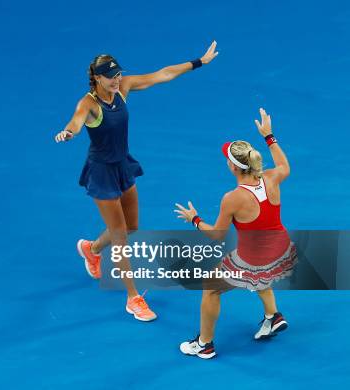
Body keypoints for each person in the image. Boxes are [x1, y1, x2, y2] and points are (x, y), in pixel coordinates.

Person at [55, 42, 219, 321]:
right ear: (97, 78)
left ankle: (91, 249)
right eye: (111, 76)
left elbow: (163, 74)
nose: (117, 79)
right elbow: (76, 122)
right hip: (102, 172)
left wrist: (198, 61)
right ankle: (133, 298)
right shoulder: (89, 104)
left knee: (131, 227)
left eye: (118, 73)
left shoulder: (123, 88)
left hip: (122, 165)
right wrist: (68, 133)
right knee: (119, 236)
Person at [174, 108, 297, 358]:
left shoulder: (233, 198)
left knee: (211, 287)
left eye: (227, 159)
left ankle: (204, 344)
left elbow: (217, 235)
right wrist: (269, 135)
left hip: (256, 257)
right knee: (259, 272)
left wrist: (195, 219)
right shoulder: (272, 178)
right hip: (281, 249)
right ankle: (273, 317)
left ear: (234, 167)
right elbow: (284, 165)